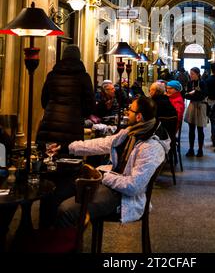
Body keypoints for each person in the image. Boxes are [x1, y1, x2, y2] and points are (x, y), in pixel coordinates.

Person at [55, 96, 170, 226]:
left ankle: (69, 245)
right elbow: (104, 143)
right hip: (113, 185)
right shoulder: (133, 131)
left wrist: (104, 177)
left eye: (130, 110)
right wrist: (67, 147)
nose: (127, 112)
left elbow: (134, 187)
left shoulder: (151, 147)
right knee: (59, 193)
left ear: (139, 117)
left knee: (66, 211)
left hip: (124, 198)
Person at [36, 44, 95, 153]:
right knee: (69, 162)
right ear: (79, 58)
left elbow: (44, 102)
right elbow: (89, 107)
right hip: (73, 128)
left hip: (49, 127)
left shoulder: (52, 75)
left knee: (48, 159)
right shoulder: (84, 77)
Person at [184, 67, 207, 157]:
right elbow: (186, 95)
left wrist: (193, 94)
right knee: (191, 129)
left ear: (197, 74)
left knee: (200, 129)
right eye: (190, 73)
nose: (191, 75)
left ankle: (200, 149)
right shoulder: (190, 83)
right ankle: (191, 149)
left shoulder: (202, 83)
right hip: (192, 106)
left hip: (201, 106)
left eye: (192, 74)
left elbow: (203, 95)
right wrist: (193, 94)